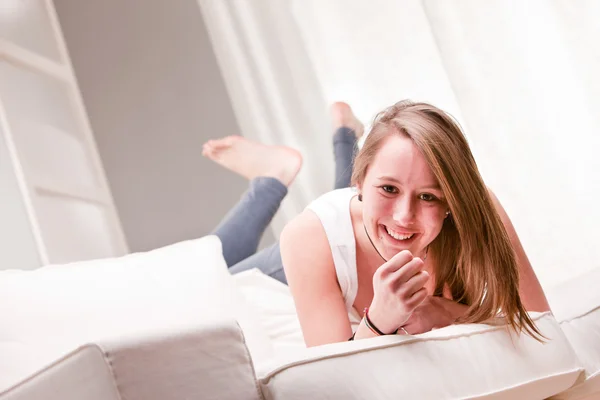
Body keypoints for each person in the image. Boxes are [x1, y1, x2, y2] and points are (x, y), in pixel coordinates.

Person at [204, 100, 550, 348]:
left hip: (362, 215)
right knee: (206, 272)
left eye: (429, 196)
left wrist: (443, 313)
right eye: (388, 189)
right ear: (360, 182)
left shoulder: (476, 209)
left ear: (451, 200)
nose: (404, 215)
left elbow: (541, 324)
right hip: (279, 273)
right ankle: (274, 175)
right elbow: (336, 381)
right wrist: (379, 321)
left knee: (387, 205)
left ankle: (345, 133)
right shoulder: (311, 236)